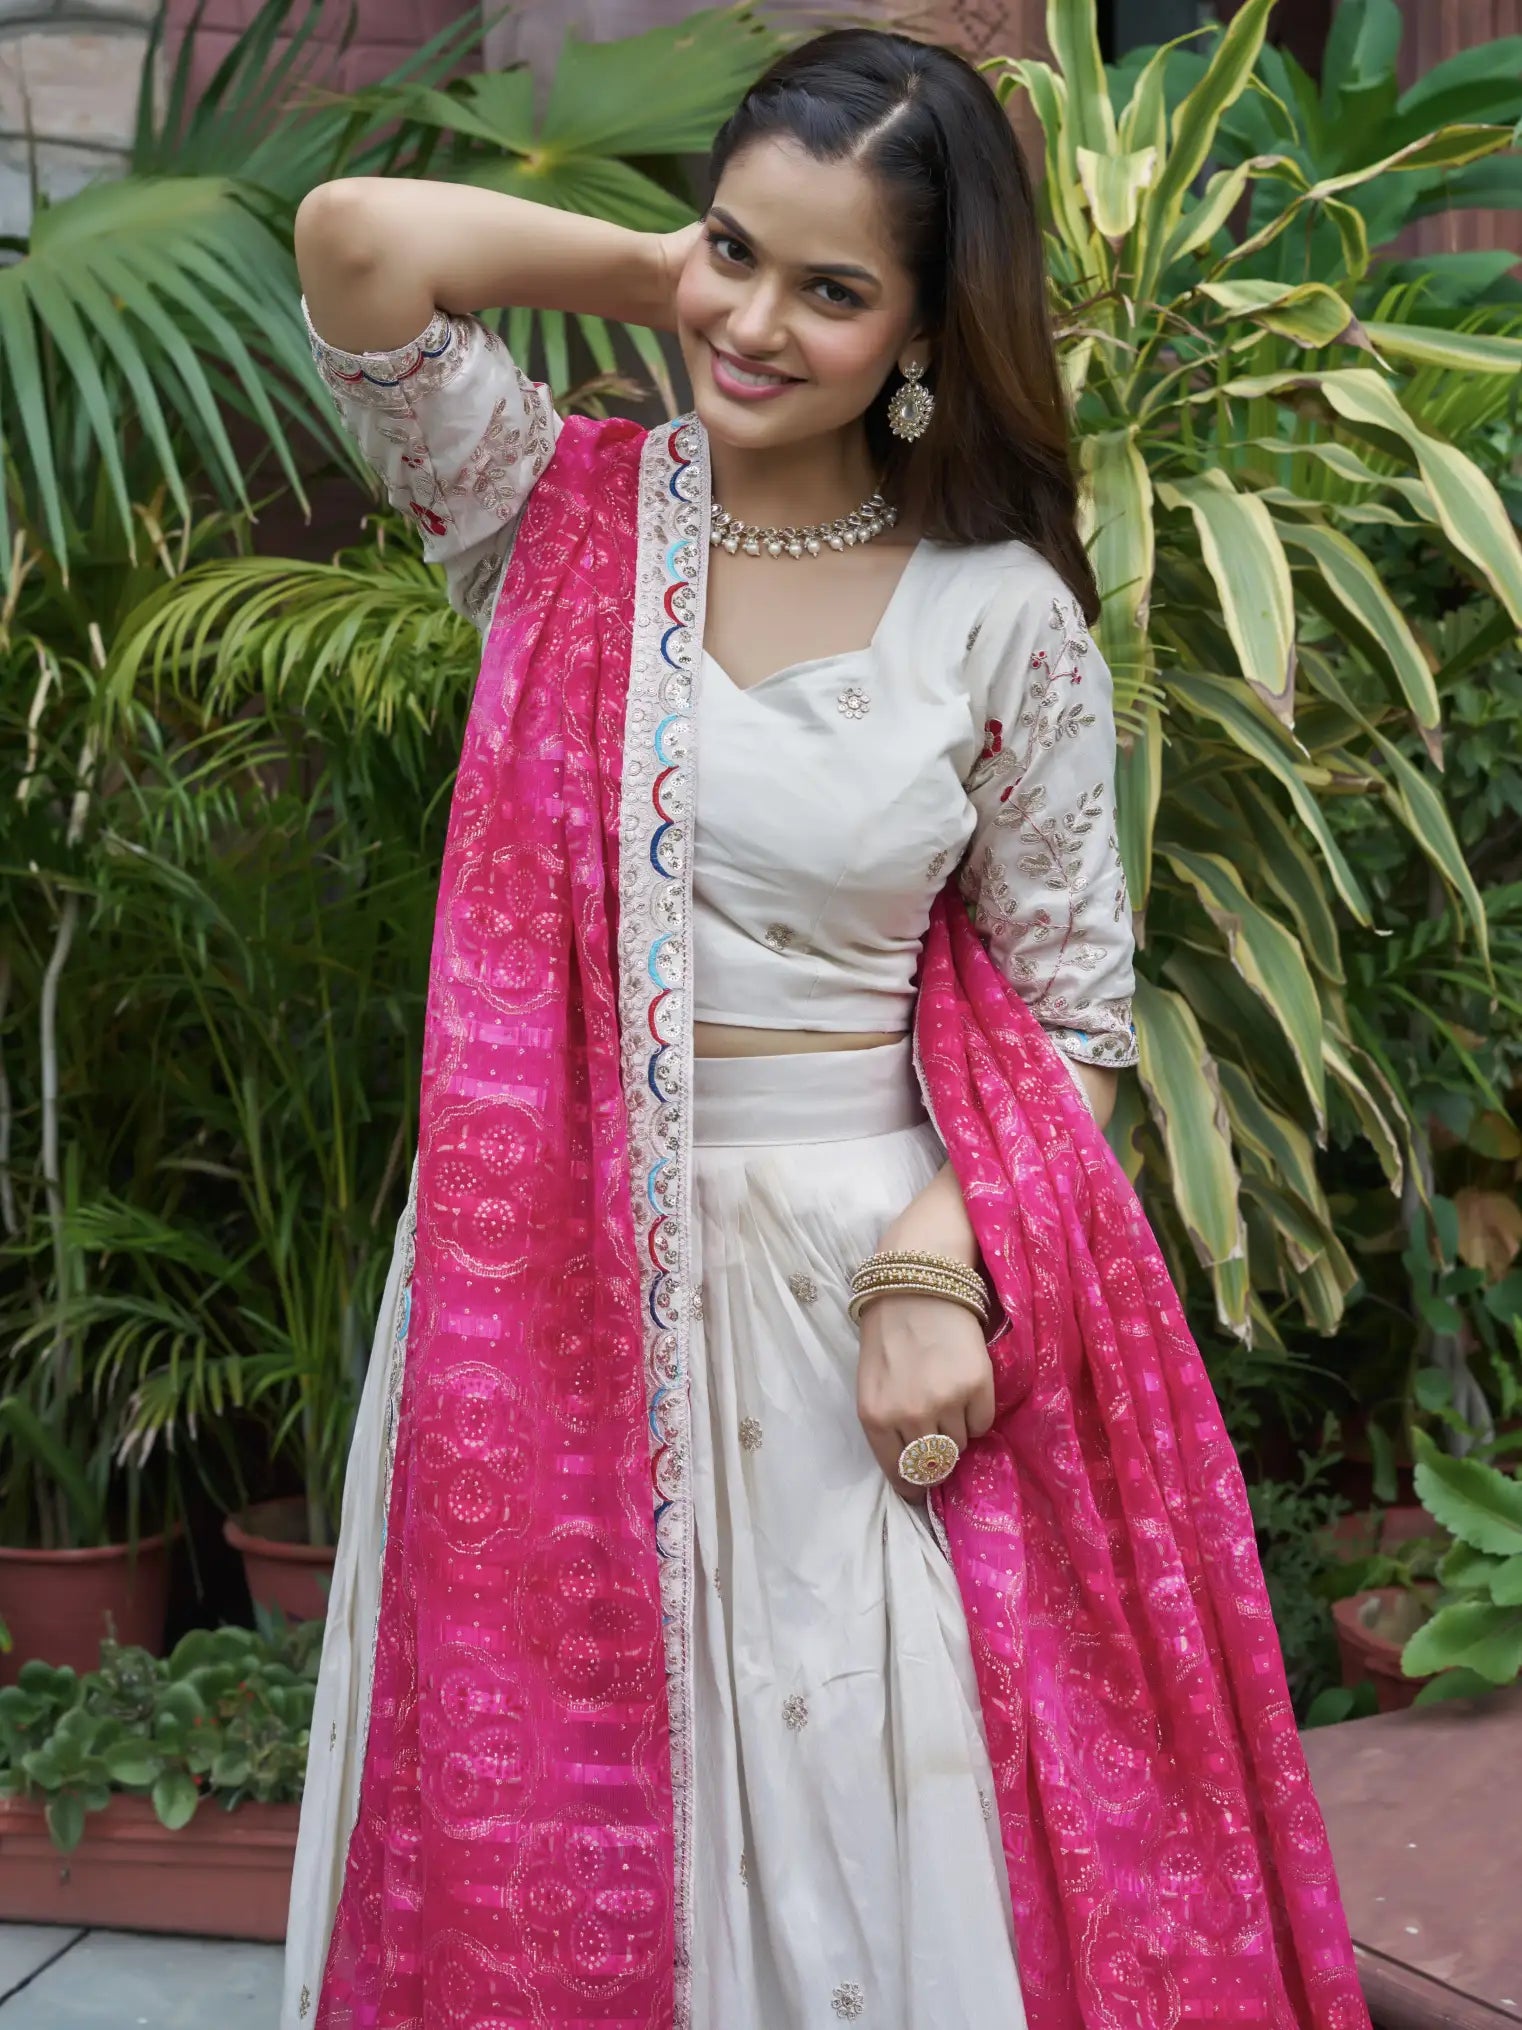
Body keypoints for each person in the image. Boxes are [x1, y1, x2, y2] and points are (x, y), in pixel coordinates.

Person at [283, 29, 1368, 2030]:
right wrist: (672, 273)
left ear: (924, 327)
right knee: (582, 1844)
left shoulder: (994, 615)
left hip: (851, 1308)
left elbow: (1073, 1013)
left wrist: (930, 1272)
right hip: (548, 1287)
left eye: (830, 288)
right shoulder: (554, 510)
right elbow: (357, 241)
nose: (756, 323)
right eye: (735, 253)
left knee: (878, 1841)